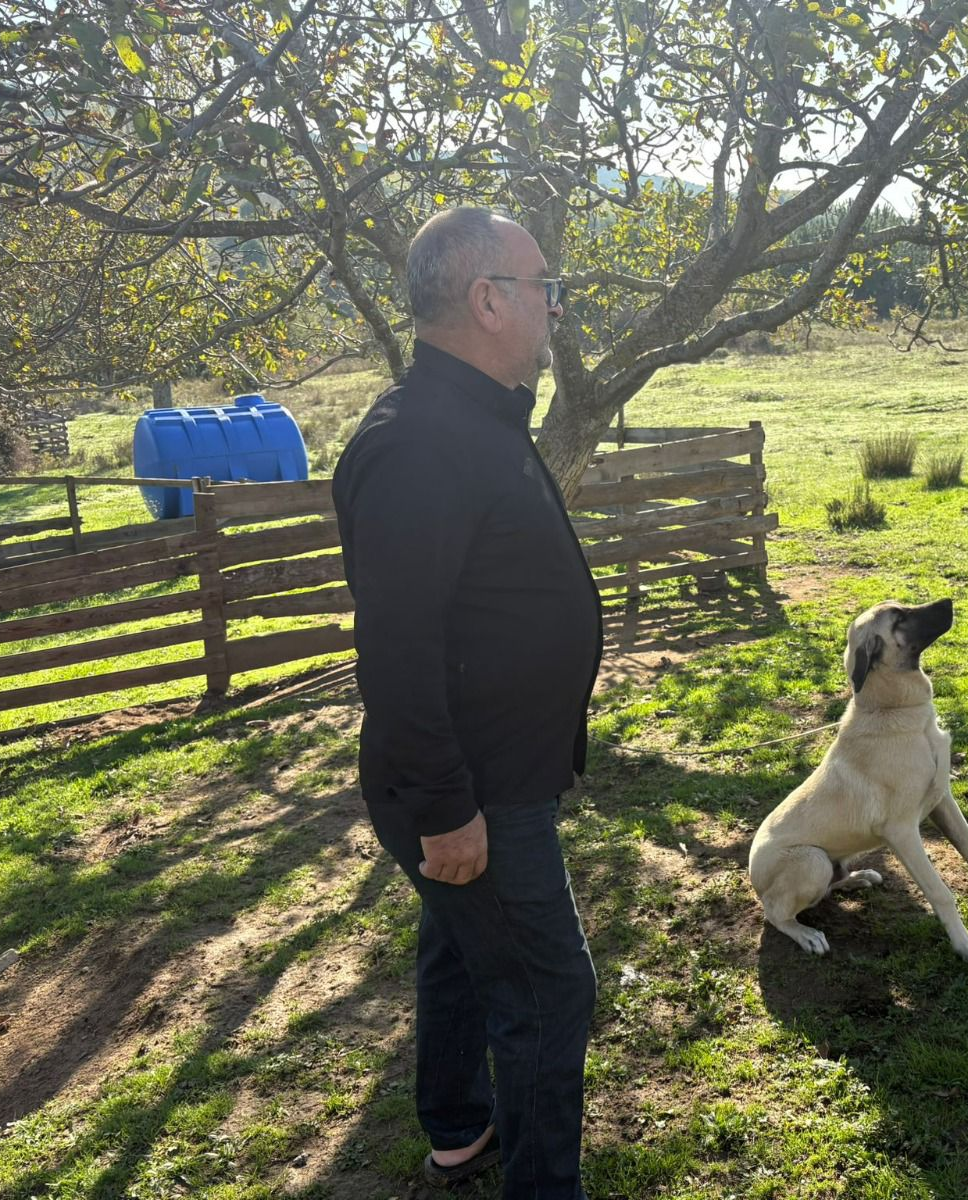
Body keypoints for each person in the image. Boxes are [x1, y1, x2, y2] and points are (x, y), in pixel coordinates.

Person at [332, 207, 601, 1196]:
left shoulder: (477, 415)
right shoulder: (419, 444)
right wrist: (448, 810)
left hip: (494, 773)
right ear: (487, 300)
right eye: (544, 288)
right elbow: (398, 653)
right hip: (473, 788)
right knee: (545, 988)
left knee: (459, 946)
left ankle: (456, 1127)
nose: (553, 309)